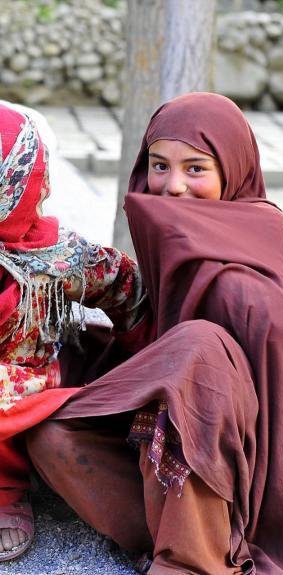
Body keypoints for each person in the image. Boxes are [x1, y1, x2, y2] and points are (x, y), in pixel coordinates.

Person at [25, 92, 283, 574]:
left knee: (197, 354)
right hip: (177, 418)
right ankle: (180, 530)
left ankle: (191, 560)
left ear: (231, 170)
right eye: (159, 165)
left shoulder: (265, 236)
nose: (172, 187)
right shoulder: (174, 230)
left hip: (251, 457)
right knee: (50, 433)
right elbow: (158, 332)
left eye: (195, 168)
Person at [0, 103, 145, 560]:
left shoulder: (56, 257)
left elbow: (126, 287)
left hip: (23, 384)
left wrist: (146, 359)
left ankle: (5, 488)